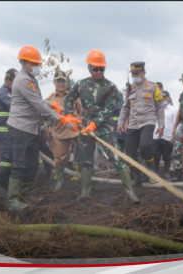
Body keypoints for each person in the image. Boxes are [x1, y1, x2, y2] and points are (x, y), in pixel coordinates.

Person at [6, 45, 81, 211]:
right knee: (20, 164)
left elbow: (39, 100)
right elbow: (37, 104)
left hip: (31, 129)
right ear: (24, 63)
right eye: (34, 64)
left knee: (32, 163)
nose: (38, 67)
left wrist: (53, 105)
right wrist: (60, 119)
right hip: (20, 129)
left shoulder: (31, 79)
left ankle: (26, 194)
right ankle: (12, 201)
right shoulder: (23, 80)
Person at [64, 49, 139, 202]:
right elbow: (68, 100)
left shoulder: (110, 87)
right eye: (95, 69)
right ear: (89, 68)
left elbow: (108, 109)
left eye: (102, 69)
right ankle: (85, 192)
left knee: (117, 157)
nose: (98, 72)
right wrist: (69, 115)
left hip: (104, 127)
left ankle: (130, 192)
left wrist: (94, 124)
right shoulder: (81, 84)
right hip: (85, 128)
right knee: (86, 159)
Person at [117, 61, 165, 186]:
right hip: (133, 123)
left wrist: (161, 125)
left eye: (137, 73)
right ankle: (136, 177)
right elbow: (125, 107)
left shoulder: (153, 87)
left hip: (148, 121)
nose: (135, 76)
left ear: (144, 73)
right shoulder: (130, 88)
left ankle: (151, 170)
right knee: (130, 151)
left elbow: (160, 107)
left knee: (144, 146)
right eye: (133, 74)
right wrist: (120, 123)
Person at [46, 70, 82, 191]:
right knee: (60, 158)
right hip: (60, 132)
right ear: (54, 83)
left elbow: (80, 111)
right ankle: (60, 181)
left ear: (66, 83)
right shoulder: (50, 99)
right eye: (58, 81)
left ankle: (84, 178)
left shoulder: (73, 96)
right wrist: (48, 127)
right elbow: (46, 116)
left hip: (75, 130)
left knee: (84, 150)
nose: (61, 84)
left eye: (63, 81)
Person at [0, 68, 18, 193]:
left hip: (10, 131)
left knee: (11, 158)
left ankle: (7, 185)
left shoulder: (11, 92)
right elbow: (15, 106)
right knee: (6, 160)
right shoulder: (4, 93)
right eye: (13, 81)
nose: (15, 84)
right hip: (3, 132)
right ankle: (1, 186)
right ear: (6, 80)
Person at [152, 90, 176, 179]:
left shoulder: (173, 109)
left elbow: (175, 123)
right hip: (155, 136)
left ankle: (166, 172)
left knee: (167, 156)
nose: (163, 100)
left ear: (169, 98)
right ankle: (155, 172)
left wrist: (174, 135)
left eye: (165, 98)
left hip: (167, 136)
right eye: (161, 98)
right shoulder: (154, 109)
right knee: (155, 155)